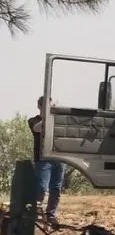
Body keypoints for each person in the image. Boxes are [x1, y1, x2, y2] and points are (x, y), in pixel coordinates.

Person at [27, 96, 65, 226]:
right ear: (39, 107)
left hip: (58, 159)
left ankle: (51, 215)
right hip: (43, 160)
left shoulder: (56, 121)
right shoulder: (34, 120)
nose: (49, 108)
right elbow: (37, 129)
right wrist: (49, 116)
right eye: (46, 106)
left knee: (56, 188)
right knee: (42, 187)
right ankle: (35, 212)